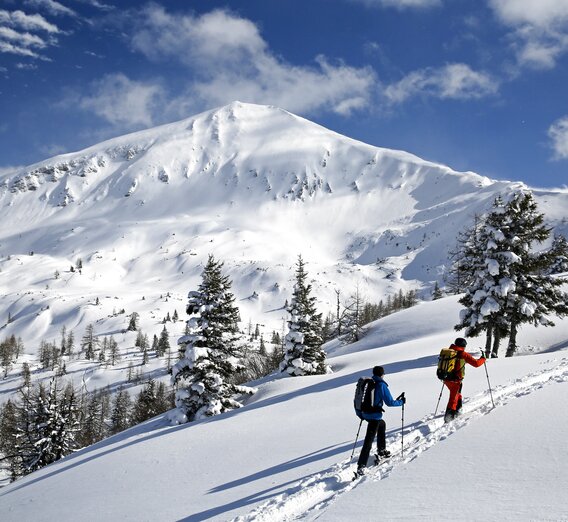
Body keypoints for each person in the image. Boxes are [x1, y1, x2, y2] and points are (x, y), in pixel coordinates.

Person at [356, 365, 404, 476]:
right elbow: (390, 402)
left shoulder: (368, 382)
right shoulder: (381, 385)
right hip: (374, 416)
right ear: (382, 374)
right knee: (368, 440)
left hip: (365, 413)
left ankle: (381, 450)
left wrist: (361, 414)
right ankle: (361, 466)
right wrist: (401, 402)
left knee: (382, 425)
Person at [443, 337, 485, 423]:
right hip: (455, 380)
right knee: (453, 398)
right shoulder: (462, 354)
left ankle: (458, 409)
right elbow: (476, 364)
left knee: (457, 393)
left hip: (446, 378)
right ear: (463, 345)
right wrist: (483, 359)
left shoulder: (448, 352)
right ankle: (449, 417)